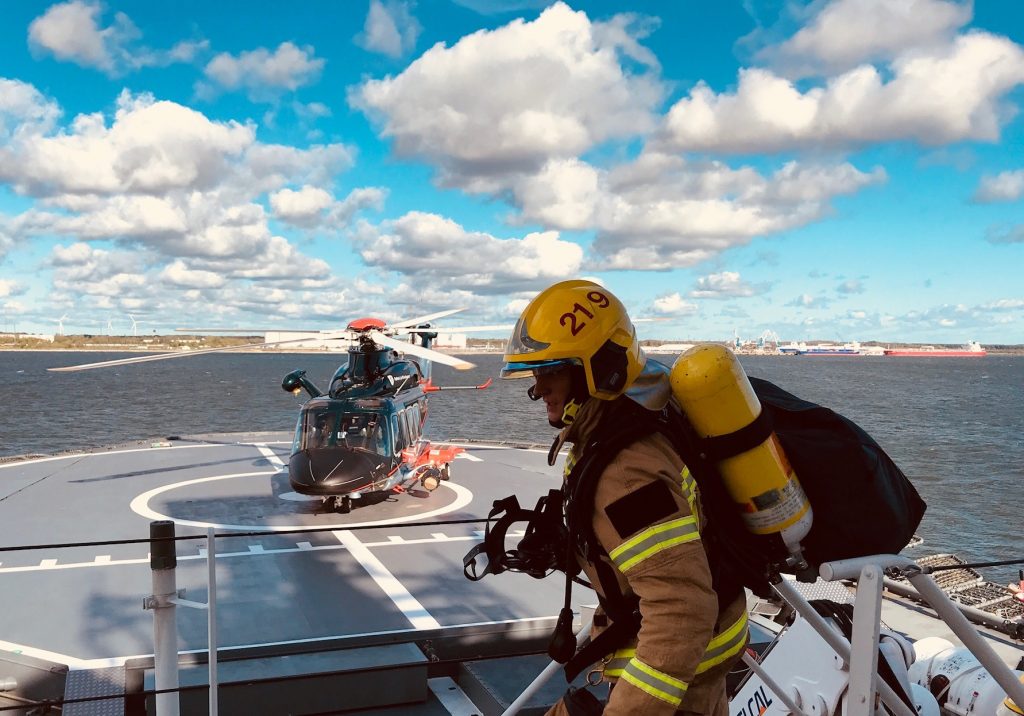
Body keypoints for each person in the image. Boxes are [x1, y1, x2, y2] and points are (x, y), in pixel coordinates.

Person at [500, 279, 748, 716]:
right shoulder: (637, 417)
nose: (539, 389)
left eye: (551, 371)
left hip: (674, 681)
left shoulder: (626, 473)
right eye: (536, 373)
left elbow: (681, 610)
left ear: (597, 369)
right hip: (696, 667)